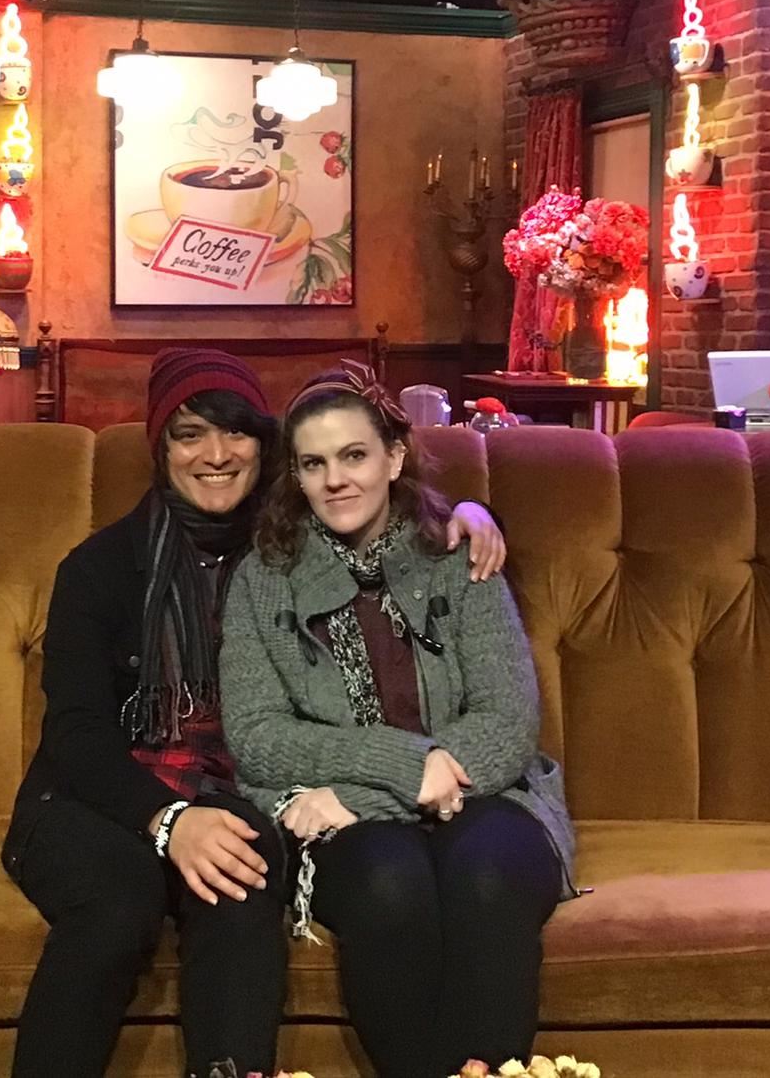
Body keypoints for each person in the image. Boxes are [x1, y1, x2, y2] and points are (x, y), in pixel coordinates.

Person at [2, 348, 509, 1078]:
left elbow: (391, 525)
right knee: (117, 907)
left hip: (236, 791)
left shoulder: (290, 552)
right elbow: (76, 736)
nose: (216, 455)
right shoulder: (99, 569)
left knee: (241, 883)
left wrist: (469, 512)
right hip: (96, 798)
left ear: (263, 447)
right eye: (189, 435)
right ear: (160, 447)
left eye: (236, 431)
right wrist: (167, 820)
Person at [220, 364, 574, 1078]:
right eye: (313, 464)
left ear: (393, 457)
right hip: (347, 827)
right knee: (390, 884)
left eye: (354, 455)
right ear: (296, 475)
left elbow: (507, 722)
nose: (335, 480)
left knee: (488, 874)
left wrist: (360, 794)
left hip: (483, 795)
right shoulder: (264, 576)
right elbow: (257, 736)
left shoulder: (458, 552)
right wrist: (407, 768)